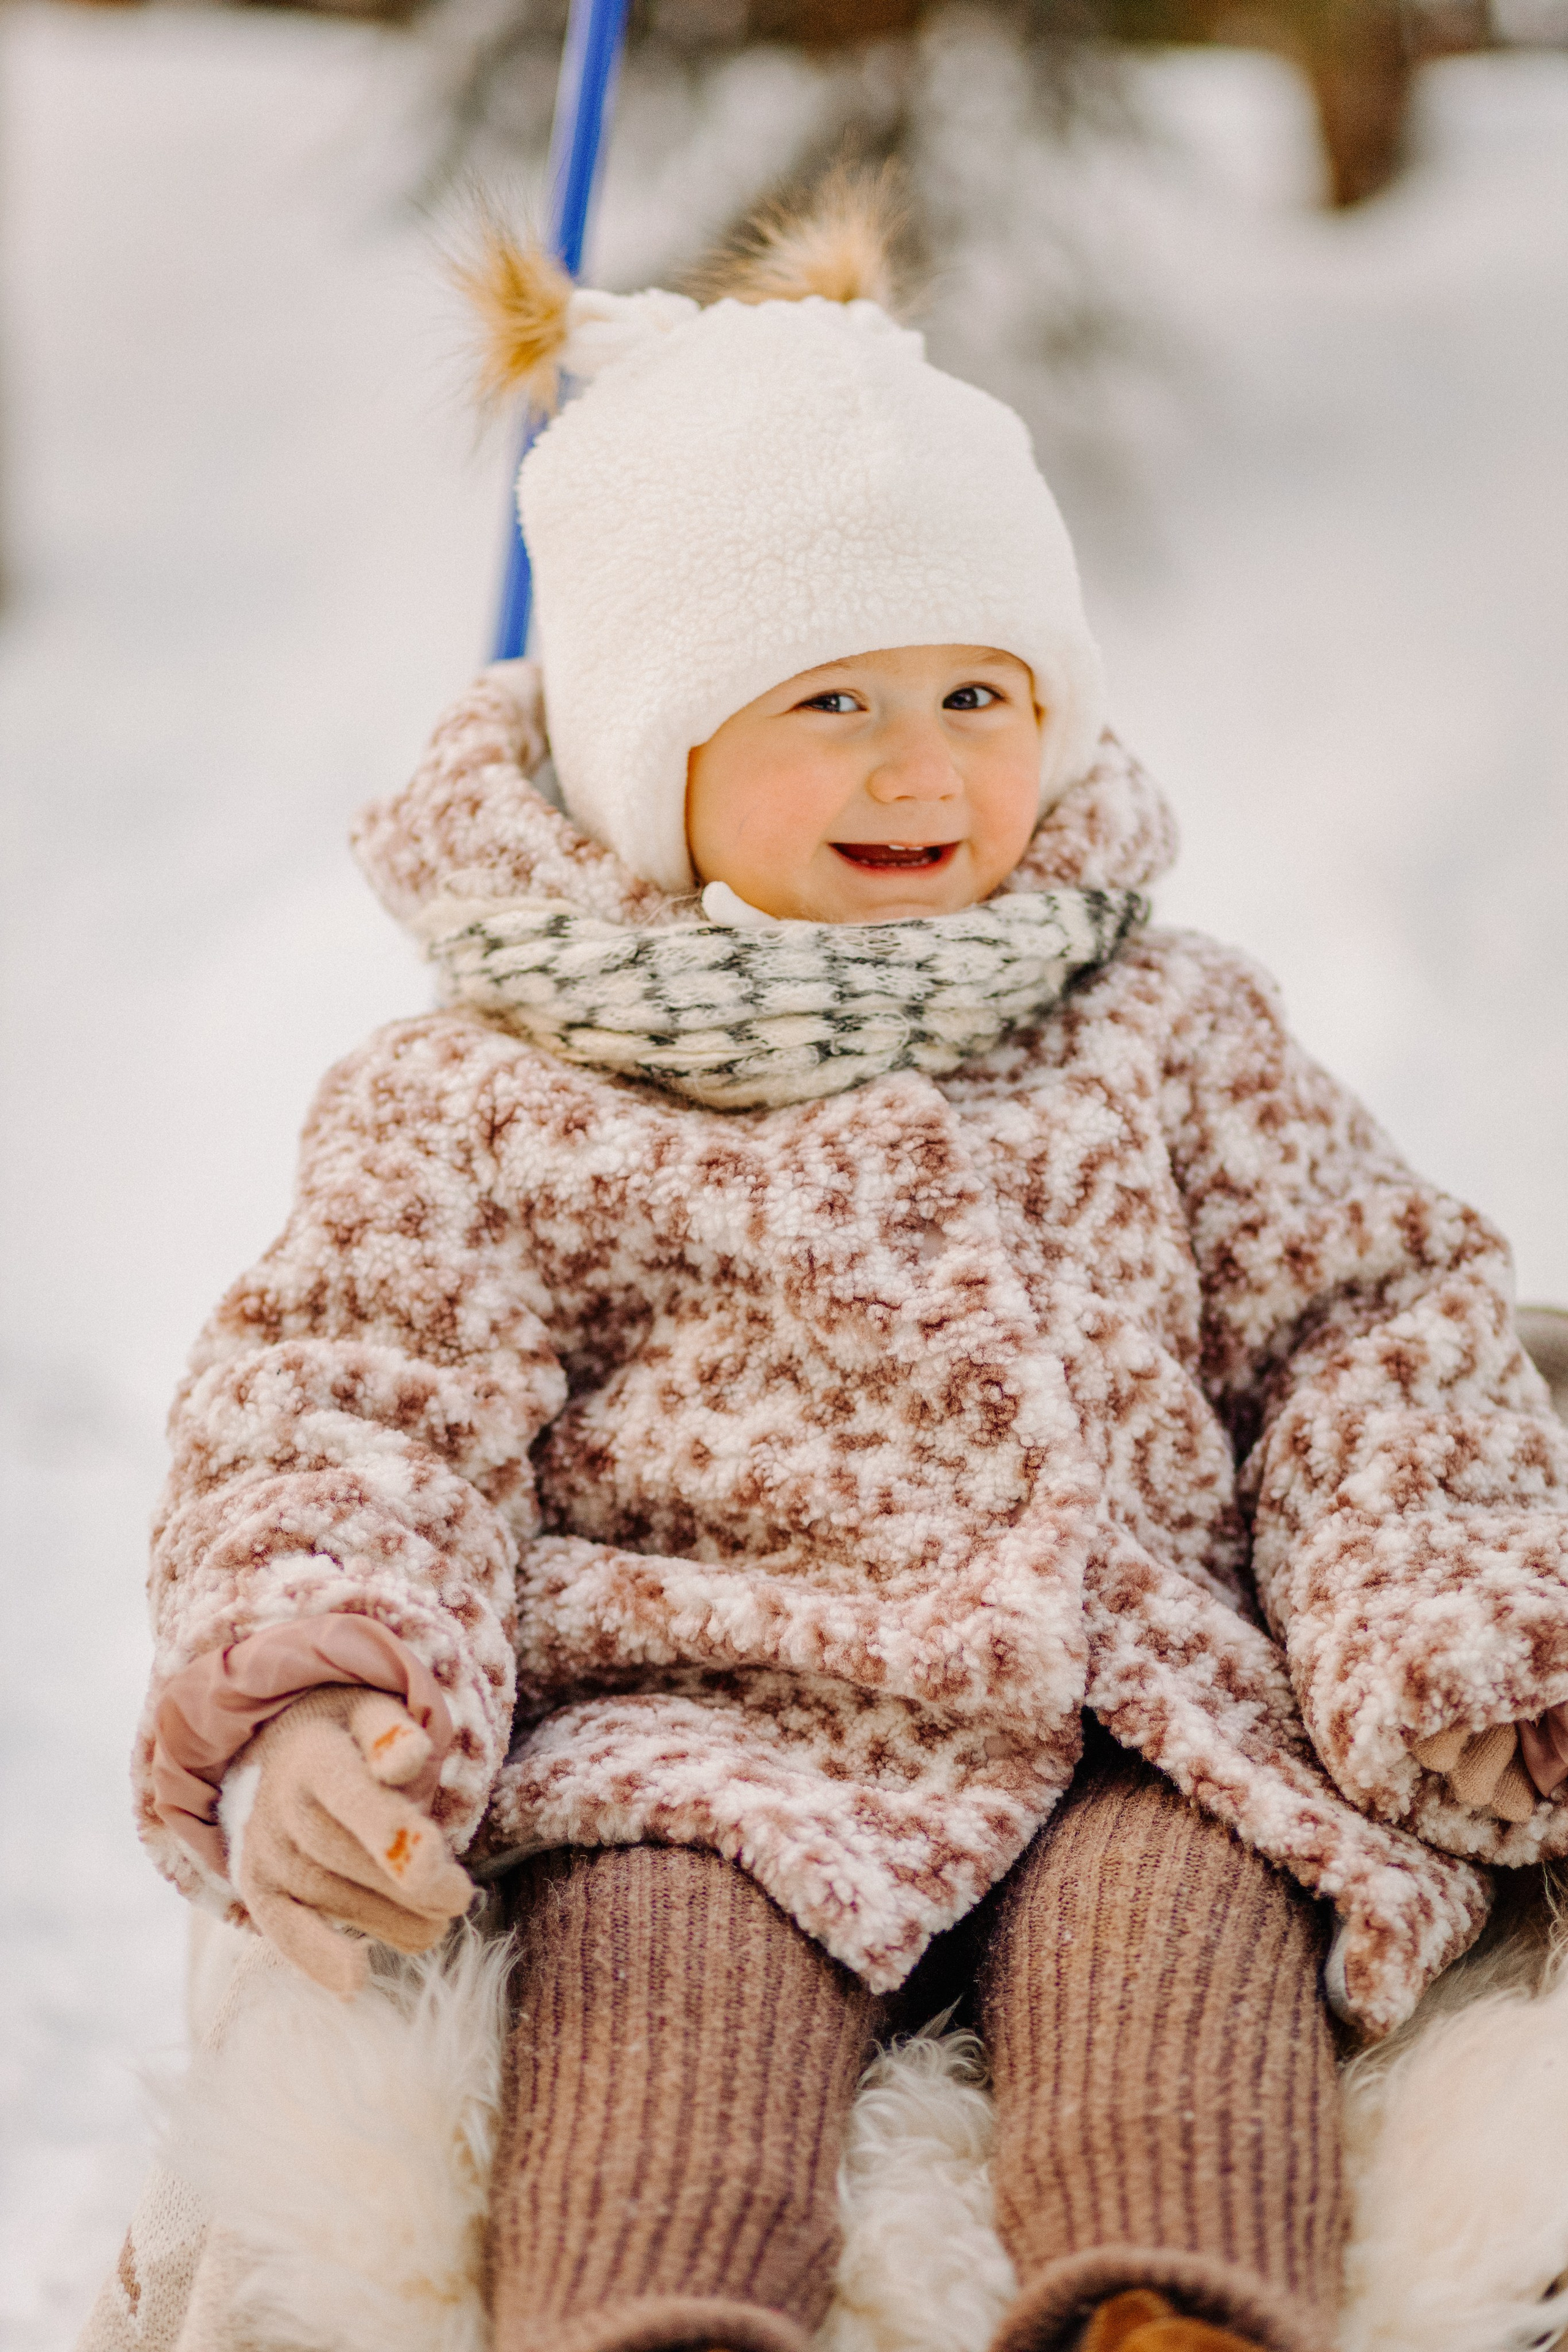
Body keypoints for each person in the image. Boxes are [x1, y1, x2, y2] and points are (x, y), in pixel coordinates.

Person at [137, 178, 1568, 2352]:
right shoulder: (496, 1091)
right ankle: (661, 2317)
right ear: (650, 754)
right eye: (828, 701)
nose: (923, 765)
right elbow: (357, 1398)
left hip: (1134, 1705)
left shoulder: (1162, 1020)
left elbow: (1369, 1324)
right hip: (699, 1727)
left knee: (1193, 1929)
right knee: (656, 1977)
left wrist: (1443, 1631)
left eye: (982, 690)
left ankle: (1178, 2309)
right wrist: (332, 1688)